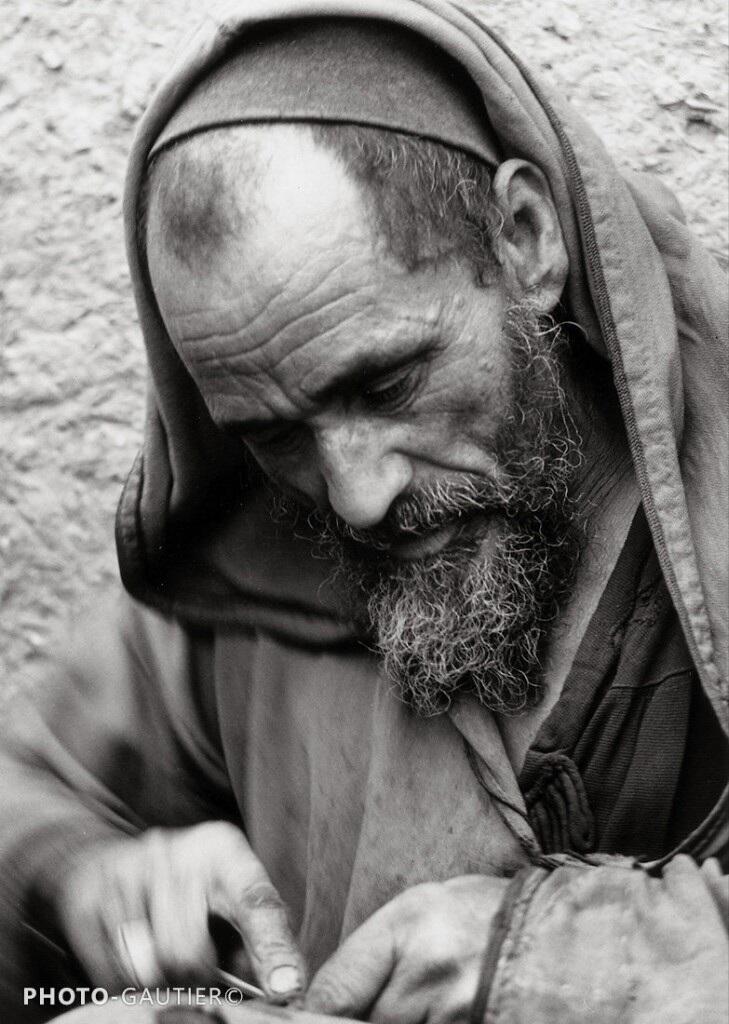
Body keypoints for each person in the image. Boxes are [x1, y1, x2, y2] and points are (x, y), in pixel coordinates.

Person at [1, 2, 727, 1022]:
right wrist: (85, 879)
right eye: (273, 432)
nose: (356, 496)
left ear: (525, 240)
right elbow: (24, 786)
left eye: (386, 384)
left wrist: (555, 961)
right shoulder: (253, 566)